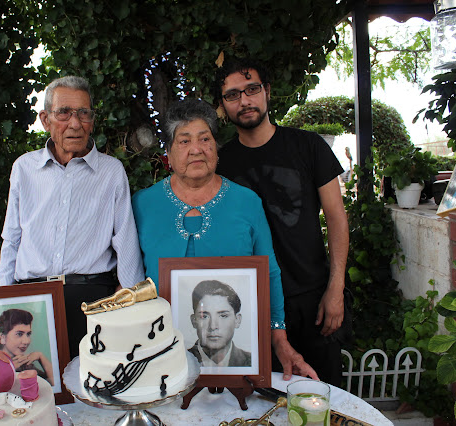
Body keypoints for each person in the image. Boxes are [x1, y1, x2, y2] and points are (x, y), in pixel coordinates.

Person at [132, 98, 318, 381]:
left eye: (205, 139)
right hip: (157, 356)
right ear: (168, 152)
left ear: (216, 148)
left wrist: (279, 339)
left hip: (234, 368)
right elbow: (129, 279)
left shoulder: (247, 202)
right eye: (184, 141)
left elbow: (269, 274)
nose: (196, 149)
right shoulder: (142, 205)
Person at [214, 57, 350, 386]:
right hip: (252, 305)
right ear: (223, 105)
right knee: (263, 400)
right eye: (233, 95)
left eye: (252, 89)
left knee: (323, 394)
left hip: (312, 299)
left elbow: (336, 219)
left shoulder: (309, 146)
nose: (244, 101)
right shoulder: (220, 164)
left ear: (267, 91)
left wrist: (336, 289)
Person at [0, 76, 145, 358]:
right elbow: (12, 239)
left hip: (92, 300)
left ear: (92, 120)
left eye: (84, 113)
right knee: (35, 381)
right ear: (45, 120)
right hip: (31, 301)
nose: (75, 124)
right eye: (64, 113)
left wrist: (128, 304)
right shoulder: (24, 168)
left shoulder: (111, 172)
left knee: (92, 380)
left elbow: (125, 239)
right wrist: (4, 301)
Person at [189, 280, 251, 367]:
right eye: (204, 316)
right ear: (194, 321)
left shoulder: (253, 363)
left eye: (223, 316)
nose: (213, 326)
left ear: (237, 320)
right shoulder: (179, 360)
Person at [0, 309, 55, 386]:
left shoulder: (25, 364)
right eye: (19, 334)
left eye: (28, 334)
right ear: (3, 337)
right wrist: (9, 370)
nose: (26, 341)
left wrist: (40, 356)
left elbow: (54, 384)